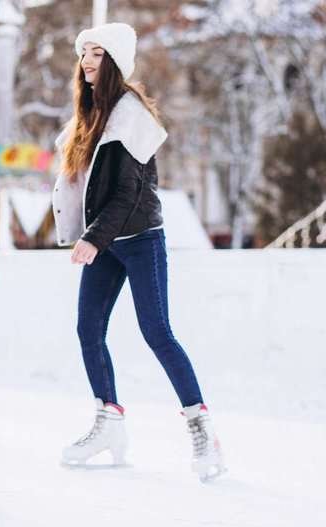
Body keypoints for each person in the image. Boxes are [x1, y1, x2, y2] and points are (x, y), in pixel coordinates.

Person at [52, 23, 225, 481]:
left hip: (139, 238)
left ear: (115, 61)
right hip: (106, 240)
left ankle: (202, 430)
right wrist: (86, 232)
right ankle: (108, 421)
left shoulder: (133, 118)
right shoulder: (88, 116)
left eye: (96, 53)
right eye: (83, 52)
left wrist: (91, 238)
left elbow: (130, 194)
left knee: (157, 332)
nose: (86, 61)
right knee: (88, 329)